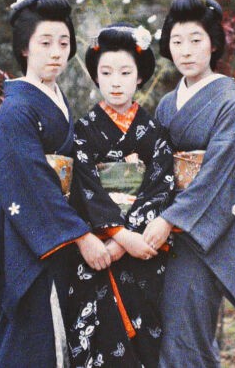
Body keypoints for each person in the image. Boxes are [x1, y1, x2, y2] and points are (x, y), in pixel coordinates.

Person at [0, 0, 112, 367]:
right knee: (34, 337)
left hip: (54, 234)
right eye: (45, 43)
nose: (56, 53)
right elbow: (31, 182)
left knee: (56, 338)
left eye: (64, 43)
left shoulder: (55, 100)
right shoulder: (15, 110)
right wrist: (81, 236)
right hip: (30, 240)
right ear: (23, 49)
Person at [142, 0, 235, 367]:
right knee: (165, 334)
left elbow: (218, 175)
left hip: (201, 236)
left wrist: (170, 220)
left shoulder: (228, 103)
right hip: (161, 235)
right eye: (177, 41)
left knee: (188, 337)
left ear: (213, 44)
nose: (185, 50)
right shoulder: (165, 105)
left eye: (195, 40)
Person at [66, 23, 176, 368]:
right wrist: (118, 236)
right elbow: (84, 187)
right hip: (98, 246)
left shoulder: (155, 133)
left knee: (145, 338)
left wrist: (125, 240)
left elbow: (161, 186)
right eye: (107, 72)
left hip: (142, 246)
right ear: (96, 77)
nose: (116, 81)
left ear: (139, 77)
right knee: (94, 335)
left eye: (125, 72)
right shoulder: (83, 131)